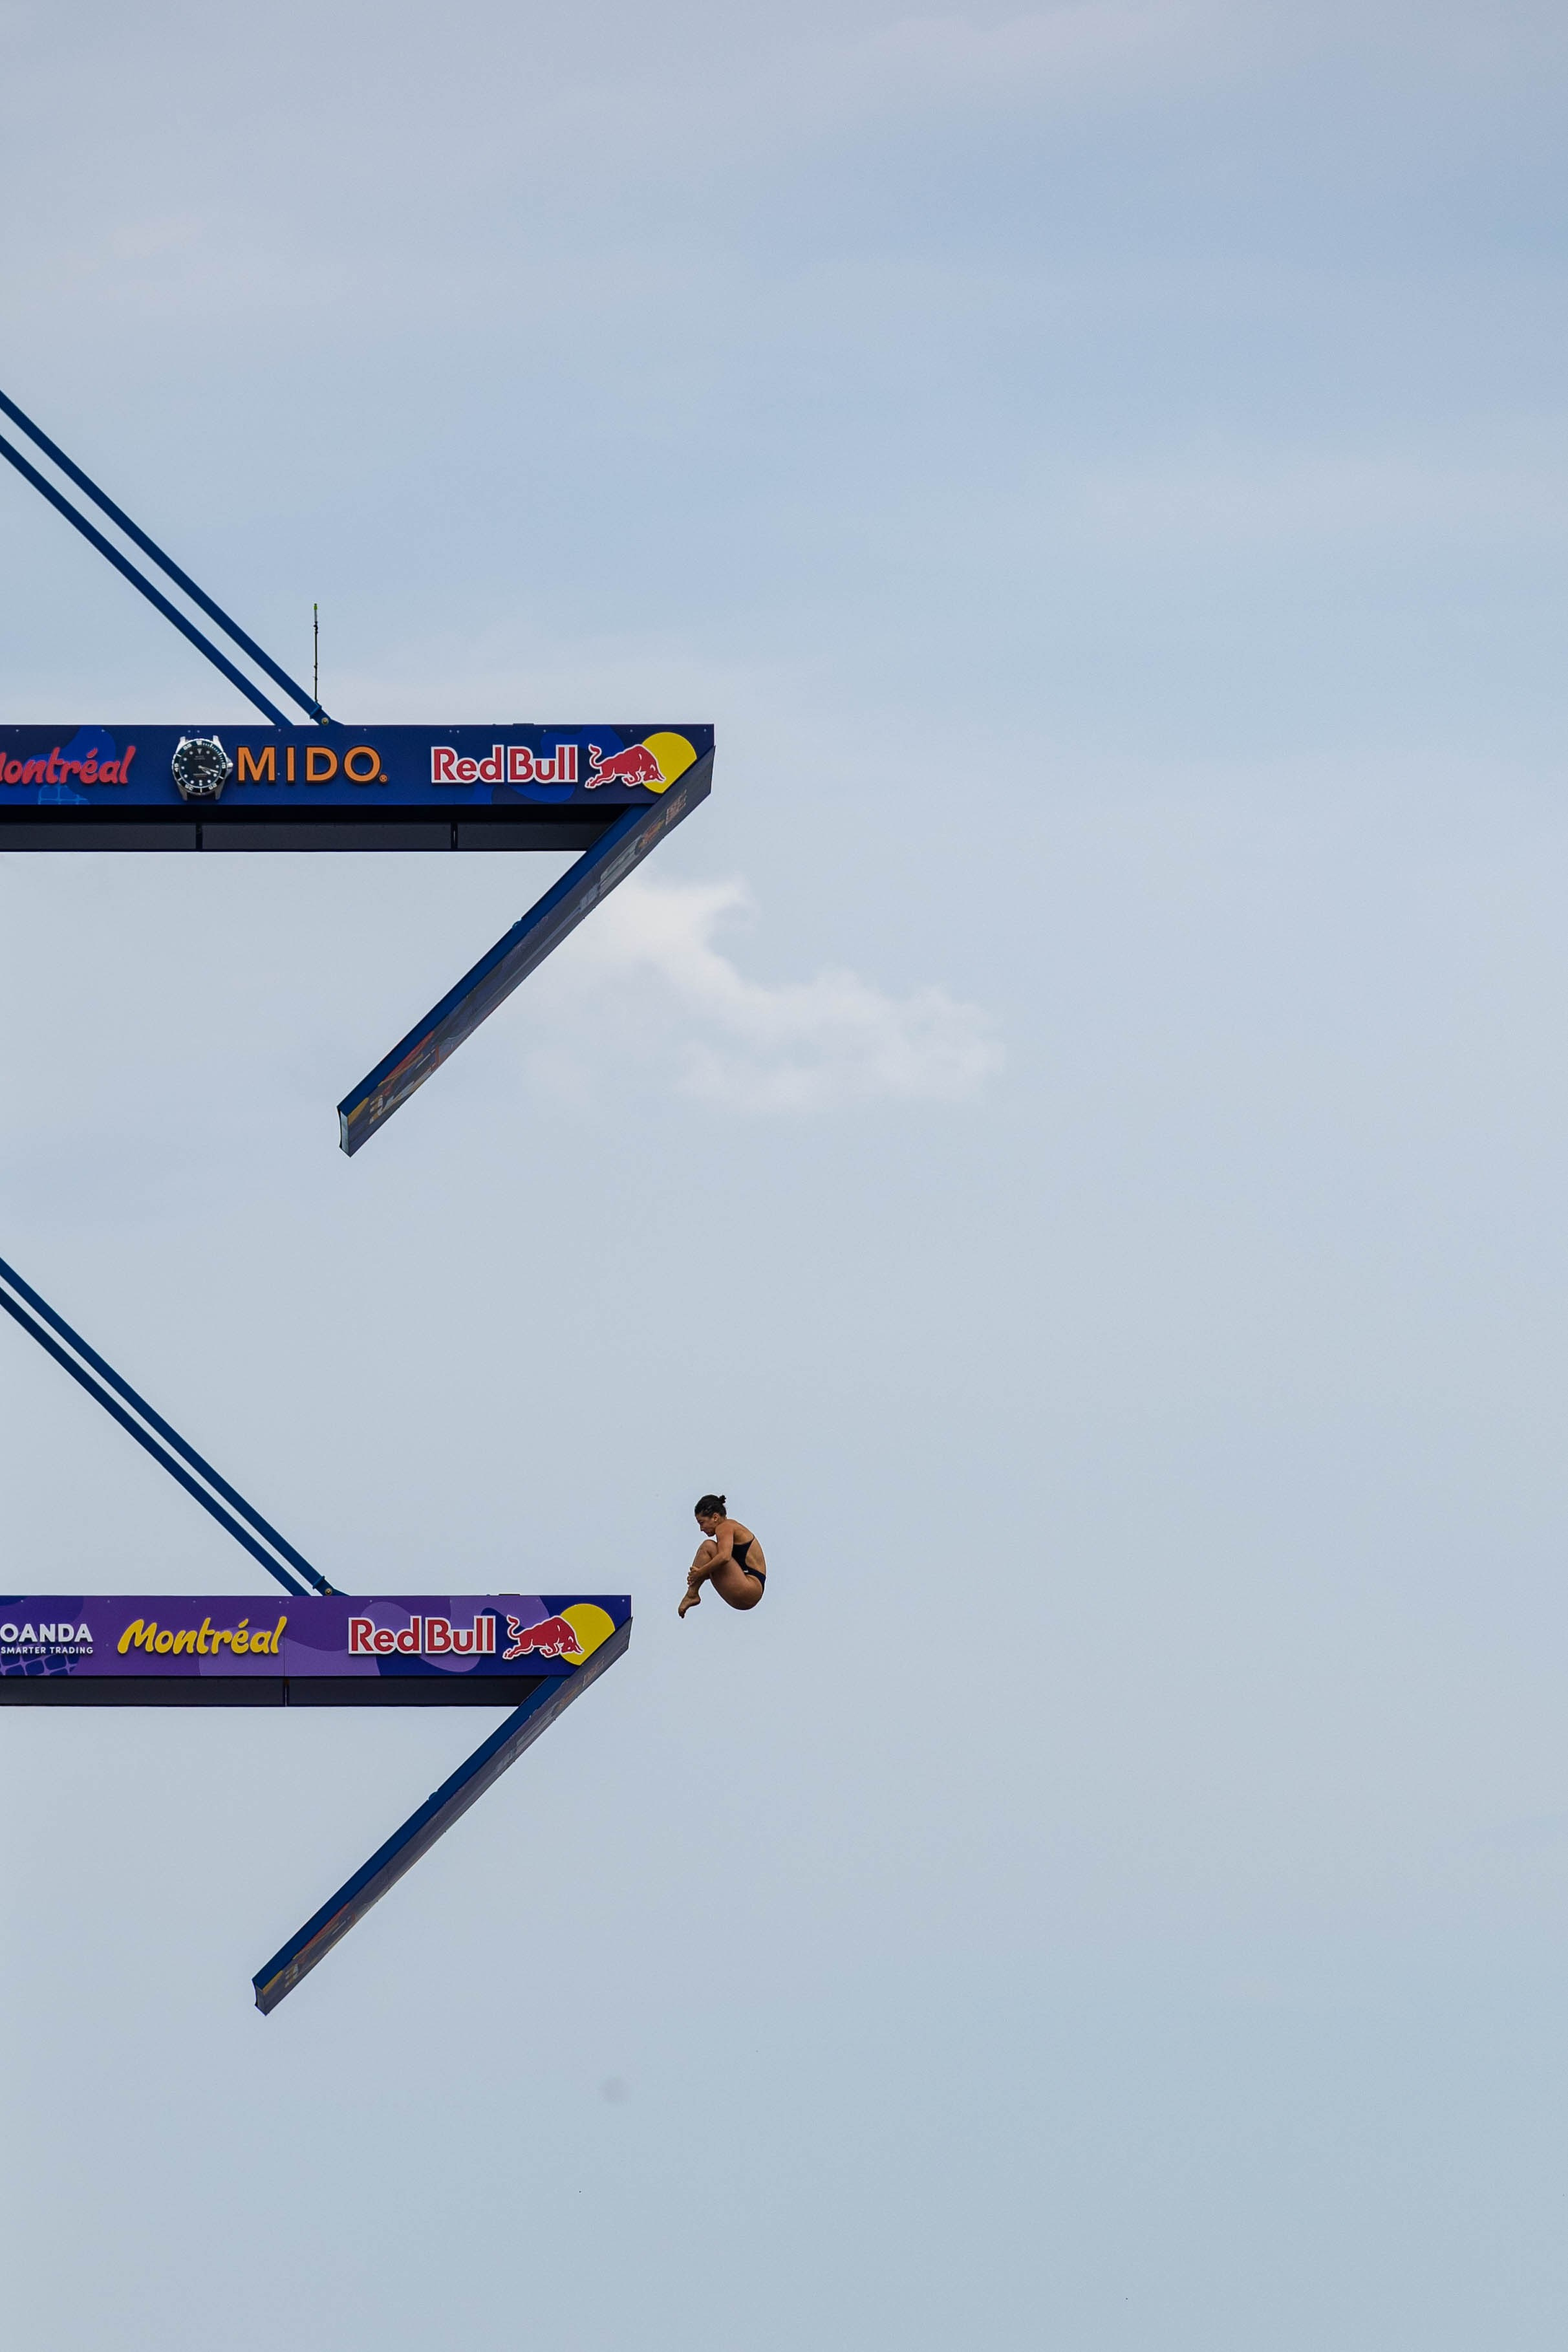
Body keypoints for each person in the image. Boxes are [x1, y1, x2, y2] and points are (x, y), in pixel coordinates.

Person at [679, 1495, 766, 1617]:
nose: (701, 1529)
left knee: (708, 1546)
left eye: (702, 1523)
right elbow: (724, 1566)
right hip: (748, 1595)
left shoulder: (725, 1526)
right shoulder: (729, 1528)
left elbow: (725, 1557)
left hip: (750, 1588)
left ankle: (692, 1594)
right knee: (710, 1560)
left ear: (715, 1517)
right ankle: (692, 1594)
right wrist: (702, 1574)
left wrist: (699, 1574)